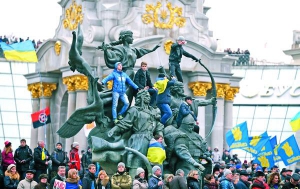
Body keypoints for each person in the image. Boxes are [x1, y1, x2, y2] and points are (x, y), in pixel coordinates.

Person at [107, 90, 164, 177]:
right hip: (138, 140)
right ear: (140, 98)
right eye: (145, 96)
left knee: (153, 166)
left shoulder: (153, 111)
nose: (148, 97)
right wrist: (115, 129)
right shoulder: (134, 110)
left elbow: (158, 125)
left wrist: (160, 137)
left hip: (151, 142)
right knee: (136, 164)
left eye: (149, 96)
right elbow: (126, 122)